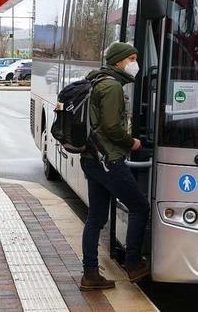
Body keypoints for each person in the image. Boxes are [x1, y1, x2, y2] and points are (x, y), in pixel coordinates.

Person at [79, 42, 150, 290]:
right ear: (119, 61)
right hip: (108, 160)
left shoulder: (99, 81)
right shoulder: (111, 86)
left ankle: (90, 273)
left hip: (93, 159)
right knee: (140, 206)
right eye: (131, 58)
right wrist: (132, 142)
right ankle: (133, 263)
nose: (135, 63)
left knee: (96, 218)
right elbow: (111, 127)